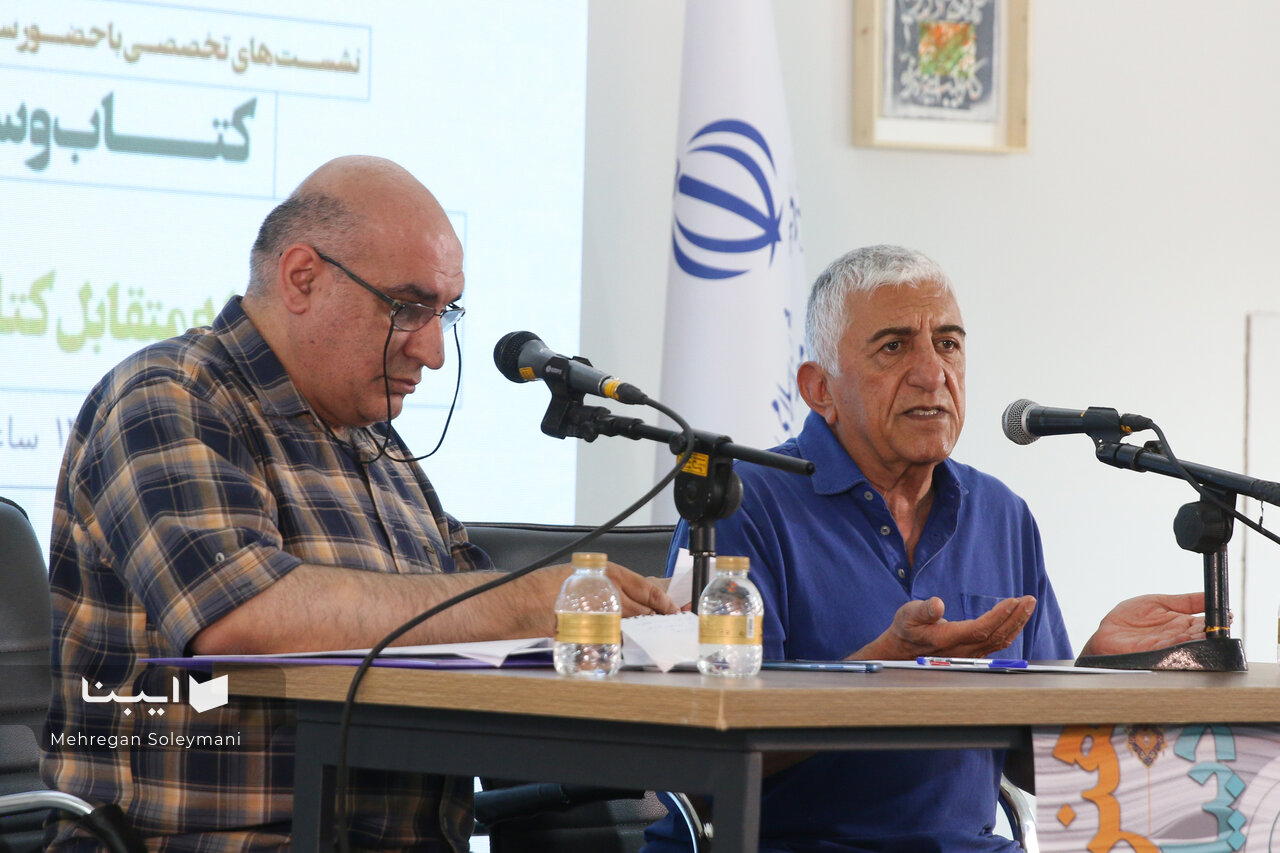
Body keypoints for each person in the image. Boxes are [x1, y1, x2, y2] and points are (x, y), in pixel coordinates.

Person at [41, 155, 677, 853]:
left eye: (445, 313)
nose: (433, 351)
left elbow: (476, 614)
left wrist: (640, 627)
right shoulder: (171, 396)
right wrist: (523, 600)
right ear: (302, 278)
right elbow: (241, 619)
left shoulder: (374, 440)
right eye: (408, 307)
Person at [644, 244, 1210, 853]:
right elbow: (702, 760)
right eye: (894, 347)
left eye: (948, 344)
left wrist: (1101, 672)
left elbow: (1036, 765)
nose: (932, 373)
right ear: (819, 388)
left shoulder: (1001, 513)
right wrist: (887, 670)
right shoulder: (742, 501)